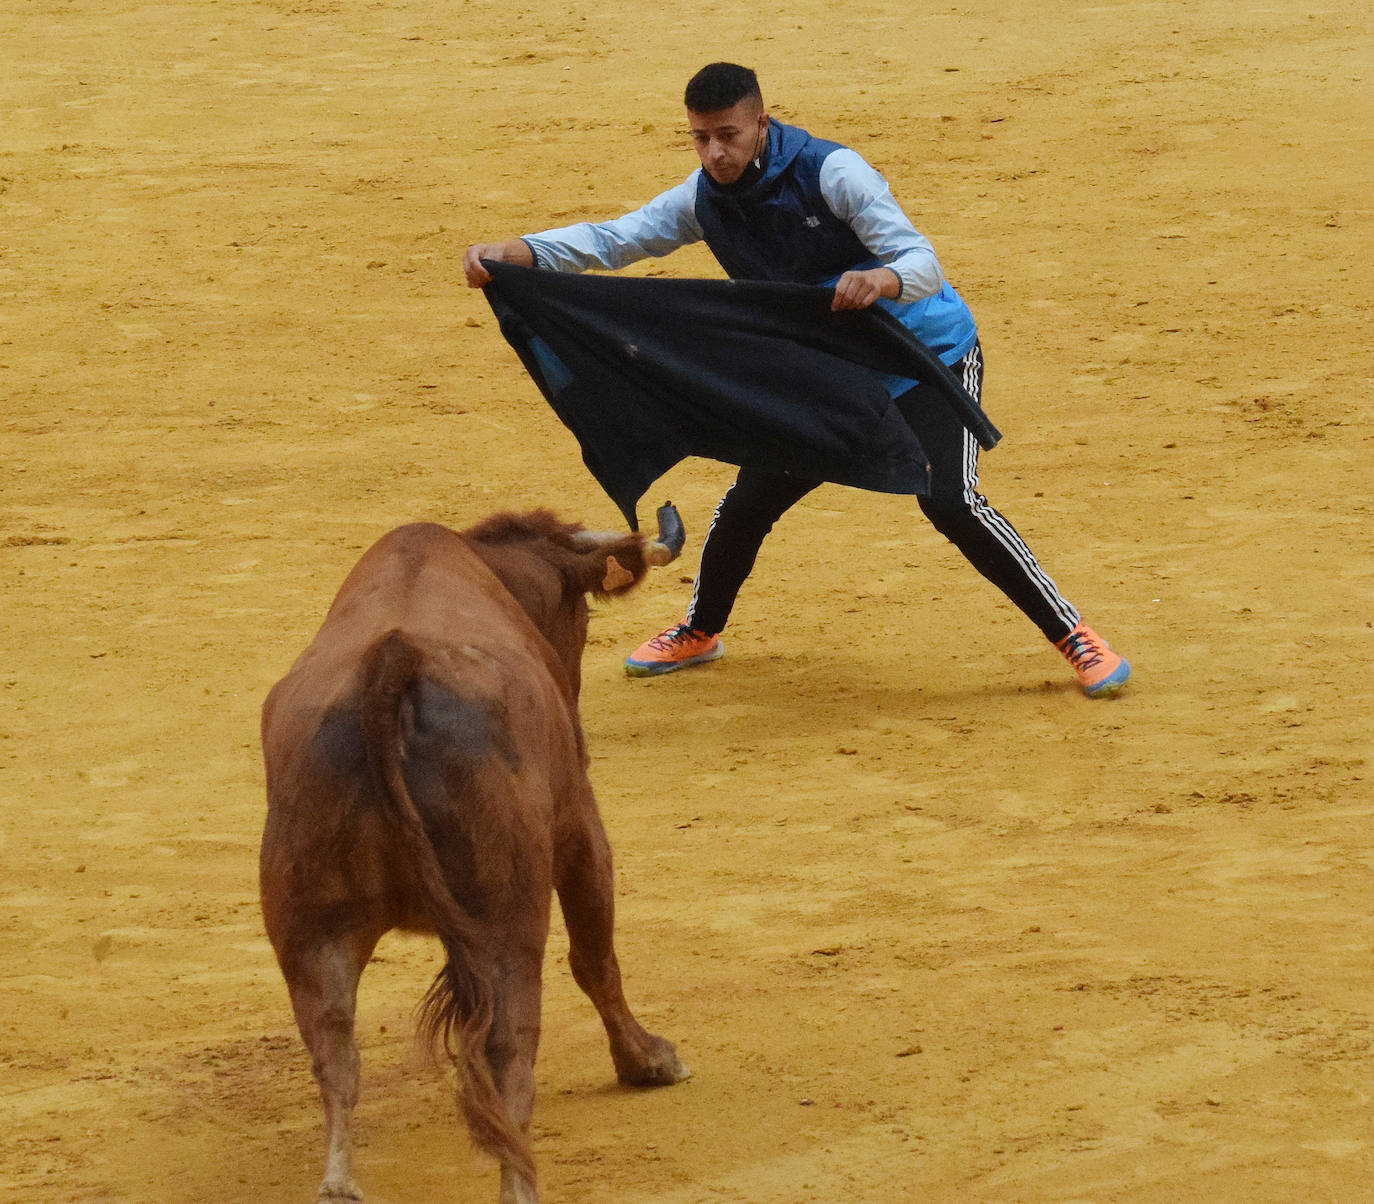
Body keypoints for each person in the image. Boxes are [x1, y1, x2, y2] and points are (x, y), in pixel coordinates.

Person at [464, 62, 1130, 698]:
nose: (715, 153)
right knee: (750, 499)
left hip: (923, 358)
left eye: (728, 135)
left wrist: (883, 279)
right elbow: (618, 239)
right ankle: (701, 629)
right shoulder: (701, 198)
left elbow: (920, 260)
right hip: (823, 376)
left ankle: (1073, 633)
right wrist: (518, 253)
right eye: (700, 138)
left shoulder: (833, 172)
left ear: (761, 123)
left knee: (950, 501)